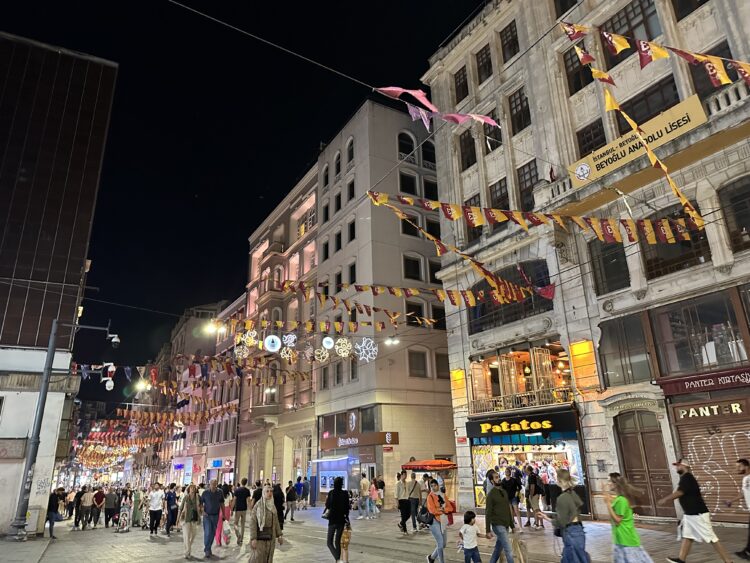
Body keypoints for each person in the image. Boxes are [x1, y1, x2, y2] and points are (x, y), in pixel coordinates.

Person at [659, 459, 733, 563]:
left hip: (698, 514)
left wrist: (666, 499)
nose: (676, 467)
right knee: (688, 536)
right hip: (690, 514)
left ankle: (728, 561)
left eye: (678, 465)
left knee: (712, 538)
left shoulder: (687, 477)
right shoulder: (685, 478)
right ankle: (681, 559)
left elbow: (680, 492)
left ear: (684, 466)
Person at [541, 469, 587, 563]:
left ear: (559, 480)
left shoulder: (562, 498)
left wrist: (546, 518)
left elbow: (561, 522)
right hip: (579, 530)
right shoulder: (573, 493)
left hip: (570, 532)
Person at [605, 473, 653, 563]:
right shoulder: (620, 499)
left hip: (626, 540)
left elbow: (617, 520)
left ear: (615, 484)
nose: (608, 483)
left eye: (609, 481)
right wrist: (606, 494)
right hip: (621, 539)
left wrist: (608, 504)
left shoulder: (621, 500)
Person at [485, 470, 515, 563]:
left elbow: (508, 509)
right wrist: (488, 530)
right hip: (498, 525)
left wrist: (512, 525)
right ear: (492, 481)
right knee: (509, 550)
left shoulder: (504, 492)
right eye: (496, 477)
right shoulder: (491, 495)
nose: (499, 479)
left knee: (498, 549)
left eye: (498, 477)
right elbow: (488, 513)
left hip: (505, 525)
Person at [249, 484, 284, 563]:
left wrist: (279, 535)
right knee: (258, 558)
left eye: (271, 491)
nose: (269, 493)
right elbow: (253, 522)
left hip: (271, 538)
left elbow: (276, 521)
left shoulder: (272, 506)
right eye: (267, 491)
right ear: (263, 493)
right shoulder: (258, 506)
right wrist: (253, 538)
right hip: (260, 538)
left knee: (269, 557)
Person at [725, 458, 750, 561]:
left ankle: (747, 551)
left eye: (739, 467)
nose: (737, 469)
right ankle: (747, 551)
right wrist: (731, 501)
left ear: (746, 466)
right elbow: (743, 493)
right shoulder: (745, 479)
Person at [325, 476, 350, 563]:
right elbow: (347, 508)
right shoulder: (345, 493)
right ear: (341, 484)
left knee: (329, 542)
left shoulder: (331, 493)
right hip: (341, 520)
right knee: (337, 541)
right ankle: (338, 560)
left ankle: (338, 559)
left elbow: (327, 506)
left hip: (332, 520)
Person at [200, 479, 224, 558]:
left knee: (213, 533)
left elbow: (222, 503)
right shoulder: (205, 493)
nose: (214, 485)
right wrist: (203, 511)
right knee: (207, 532)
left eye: (215, 484)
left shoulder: (220, 492)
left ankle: (208, 548)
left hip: (215, 515)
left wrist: (223, 514)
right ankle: (207, 550)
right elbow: (201, 503)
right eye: (212, 484)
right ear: (209, 484)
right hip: (207, 516)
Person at [426, 478, 448, 563]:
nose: (433, 487)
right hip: (434, 521)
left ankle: (431, 558)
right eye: (431, 486)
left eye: (435, 485)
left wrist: (444, 510)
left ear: (438, 486)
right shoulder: (430, 497)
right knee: (440, 543)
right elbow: (432, 511)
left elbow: (449, 507)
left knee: (444, 544)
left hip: (443, 520)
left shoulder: (442, 495)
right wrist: (442, 510)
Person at [178, 484, 201, 560]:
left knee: (193, 535)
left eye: (194, 488)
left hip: (194, 518)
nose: (192, 489)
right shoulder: (186, 497)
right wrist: (177, 519)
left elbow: (200, 507)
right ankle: (187, 552)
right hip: (186, 519)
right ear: (189, 489)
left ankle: (188, 548)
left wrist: (200, 516)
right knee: (186, 536)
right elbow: (181, 508)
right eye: (191, 488)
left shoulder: (197, 497)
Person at [233, 478, 251, 546]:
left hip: (238, 509)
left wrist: (231, 508)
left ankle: (238, 535)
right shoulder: (247, 490)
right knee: (243, 524)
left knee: (235, 523)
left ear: (241, 482)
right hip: (244, 509)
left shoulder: (237, 490)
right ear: (246, 483)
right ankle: (241, 539)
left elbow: (234, 500)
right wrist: (250, 509)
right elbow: (248, 501)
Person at [214, 483, 232, 547]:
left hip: (220, 510)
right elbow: (230, 503)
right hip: (227, 510)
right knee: (225, 525)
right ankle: (226, 539)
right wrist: (231, 510)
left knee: (218, 527)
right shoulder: (229, 494)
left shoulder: (219, 493)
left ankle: (218, 541)